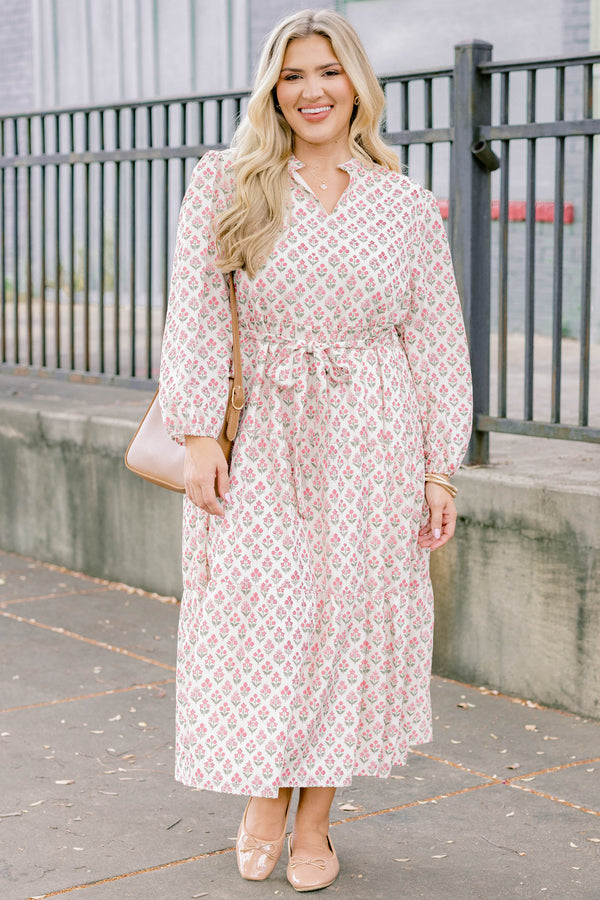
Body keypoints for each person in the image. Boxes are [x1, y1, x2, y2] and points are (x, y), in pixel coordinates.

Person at [159, 7, 472, 892]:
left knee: (347, 625)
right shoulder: (227, 182)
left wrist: (438, 465)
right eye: (292, 75)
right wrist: (196, 434)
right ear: (273, 90)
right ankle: (262, 795)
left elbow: (437, 340)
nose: (311, 91)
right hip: (262, 434)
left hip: (375, 437)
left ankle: (317, 822)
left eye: (327, 72)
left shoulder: (405, 203)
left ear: (357, 85)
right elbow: (193, 313)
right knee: (262, 619)